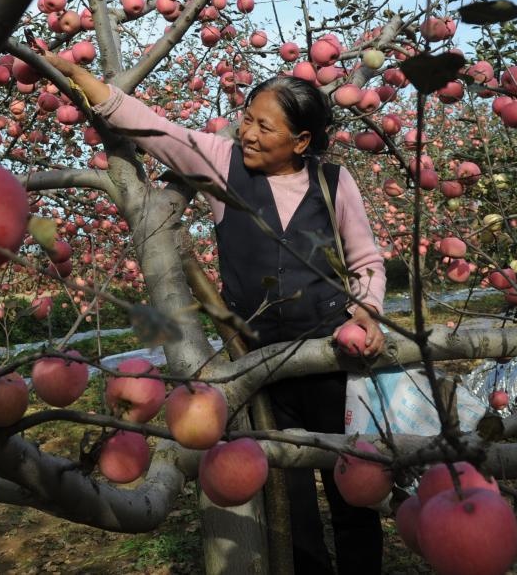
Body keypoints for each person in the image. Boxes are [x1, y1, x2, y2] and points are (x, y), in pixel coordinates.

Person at [43, 51, 387, 575]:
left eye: (263, 126)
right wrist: (80, 77)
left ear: (300, 141)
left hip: (330, 359)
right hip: (259, 361)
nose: (247, 132)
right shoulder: (223, 164)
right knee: (289, 496)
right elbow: (154, 129)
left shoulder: (333, 182)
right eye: (247, 117)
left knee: (352, 483)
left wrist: (367, 313)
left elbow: (364, 259)